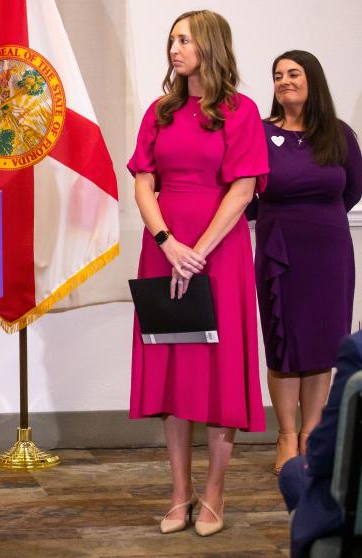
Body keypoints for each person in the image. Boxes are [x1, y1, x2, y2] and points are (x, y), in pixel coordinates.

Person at [128, 10, 268, 537]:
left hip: (220, 253)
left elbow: (243, 189)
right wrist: (168, 243)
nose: (174, 49)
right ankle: (180, 492)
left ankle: (214, 493)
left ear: (209, 45)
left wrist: (198, 252)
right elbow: (144, 182)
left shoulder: (242, 111)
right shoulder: (160, 112)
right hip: (164, 247)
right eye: (170, 40)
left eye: (183, 40)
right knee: (174, 368)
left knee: (219, 368)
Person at [254, 50, 362, 475]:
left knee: (321, 344)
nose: (284, 81)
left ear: (312, 79)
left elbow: (353, 188)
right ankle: (285, 435)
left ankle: (312, 435)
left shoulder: (338, 133)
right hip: (279, 248)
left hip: (330, 251)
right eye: (277, 74)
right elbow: (244, 191)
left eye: (293, 73)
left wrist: (320, 214)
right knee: (283, 344)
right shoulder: (260, 133)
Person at [279, 330, 362, 557]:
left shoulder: (357, 350)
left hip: (355, 509)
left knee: (294, 471)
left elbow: (324, 453)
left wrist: (313, 457)